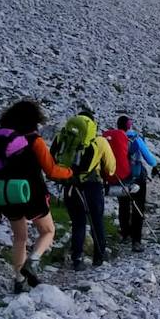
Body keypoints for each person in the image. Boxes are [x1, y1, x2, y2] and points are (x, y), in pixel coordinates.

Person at [0, 100, 72, 293]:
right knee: (48, 231)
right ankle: (32, 262)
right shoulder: (34, 140)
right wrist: (69, 173)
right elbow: (52, 170)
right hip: (33, 193)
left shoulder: (3, 139)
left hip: (8, 193)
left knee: (19, 237)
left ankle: (18, 280)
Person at [53, 110, 116, 269]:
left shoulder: (63, 137)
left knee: (78, 223)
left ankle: (77, 259)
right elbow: (110, 167)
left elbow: (52, 158)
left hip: (69, 185)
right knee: (96, 221)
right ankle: (99, 258)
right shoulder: (100, 141)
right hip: (92, 186)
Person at [114, 116, 160, 252]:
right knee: (138, 207)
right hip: (136, 176)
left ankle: (124, 234)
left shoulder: (114, 138)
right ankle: (136, 241)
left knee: (123, 205)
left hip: (120, 177)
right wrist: (155, 165)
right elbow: (150, 159)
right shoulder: (135, 138)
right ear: (129, 126)